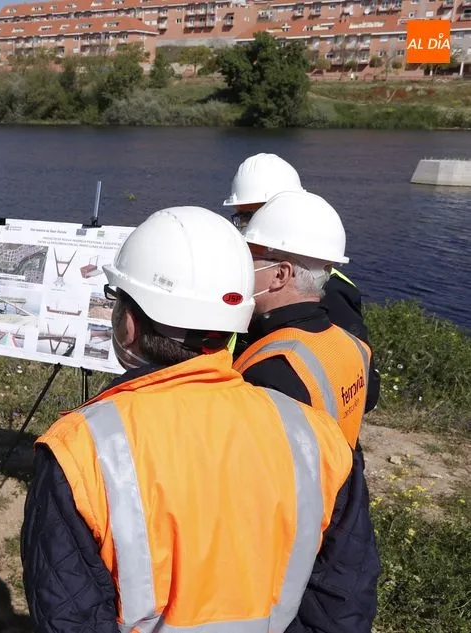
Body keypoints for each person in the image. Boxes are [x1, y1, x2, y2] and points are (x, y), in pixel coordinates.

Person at [21, 206, 357, 633]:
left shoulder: (80, 449)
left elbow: (67, 616)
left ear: (129, 323)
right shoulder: (320, 439)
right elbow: (341, 602)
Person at [234, 190, 380, 633]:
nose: (241, 267)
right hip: (342, 535)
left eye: (250, 256)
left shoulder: (272, 369)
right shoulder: (349, 344)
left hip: (296, 570)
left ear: (279, 273)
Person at [222, 153, 373, 355]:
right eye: (241, 216)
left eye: (249, 216)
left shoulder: (332, 290)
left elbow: (349, 364)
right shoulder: (253, 269)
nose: (245, 228)